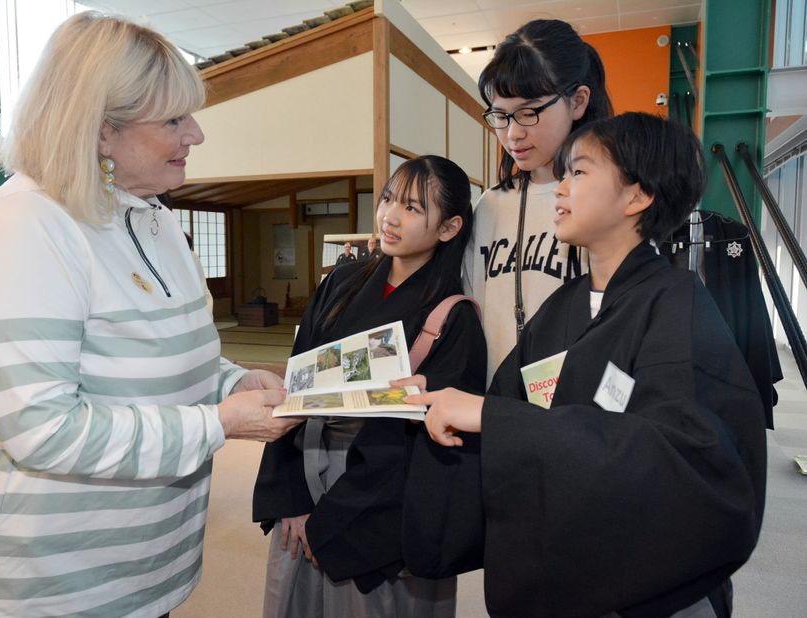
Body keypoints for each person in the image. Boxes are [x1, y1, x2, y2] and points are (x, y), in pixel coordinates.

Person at [0, 12, 300, 618]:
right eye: (173, 119)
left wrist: (231, 380)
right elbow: (43, 430)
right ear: (99, 131)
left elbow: (160, 353)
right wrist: (218, 423)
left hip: (139, 566)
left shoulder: (152, 217)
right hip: (40, 581)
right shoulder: (22, 230)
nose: (195, 134)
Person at [413, 113, 767, 617]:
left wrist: (494, 419)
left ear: (637, 196)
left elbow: (685, 459)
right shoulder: (564, 306)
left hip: (648, 587)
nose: (560, 189)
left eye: (578, 173)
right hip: (564, 568)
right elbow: (507, 408)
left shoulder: (676, 304)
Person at [253, 155, 486, 617]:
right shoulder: (340, 282)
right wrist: (292, 497)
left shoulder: (452, 317)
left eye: (413, 208)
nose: (389, 217)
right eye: (387, 199)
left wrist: (336, 525)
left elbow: (426, 445)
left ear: (449, 227)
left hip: (377, 501)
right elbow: (297, 384)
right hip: (307, 463)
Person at [465, 19, 613, 384]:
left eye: (530, 111)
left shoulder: (609, 203)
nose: (513, 133)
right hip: (495, 410)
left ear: (577, 101)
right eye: (500, 115)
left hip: (575, 414)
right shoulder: (491, 205)